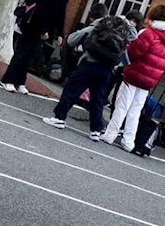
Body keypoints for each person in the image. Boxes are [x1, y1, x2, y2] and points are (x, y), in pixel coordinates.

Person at [102, 4, 165, 152]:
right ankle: (129, 141)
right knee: (135, 110)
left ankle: (110, 134)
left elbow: (133, 52)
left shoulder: (148, 33)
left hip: (134, 74)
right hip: (149, 80)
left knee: (122, 105)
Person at [42, 12, 131, 141]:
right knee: (98, 99)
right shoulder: (122, 36)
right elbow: (126, 59)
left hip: (89, 62)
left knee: (71, 90)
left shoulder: (97, 27)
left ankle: (59, 117)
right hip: (106, 69)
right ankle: (95, 130)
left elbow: (72, 40)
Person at [2, 0, 81, 95]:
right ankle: (8, 79)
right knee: (21, 53)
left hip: (42, 30)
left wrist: (60, 33)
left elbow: (61, 14)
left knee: (30, 55)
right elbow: (40, 9)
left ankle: (20, 81)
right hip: (30, 25)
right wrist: (44, 29)